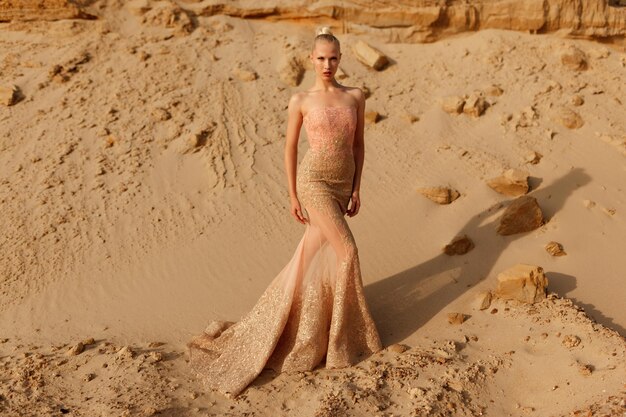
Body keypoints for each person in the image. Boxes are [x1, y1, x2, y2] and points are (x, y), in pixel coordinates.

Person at [188, 26, 383, 398]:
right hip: (314, 183)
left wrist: (357, 187)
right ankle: (343, 340)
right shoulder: (300, 100)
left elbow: (358, 145)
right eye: (321, 58)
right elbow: (291, 149)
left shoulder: (355, 96)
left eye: (334, 58)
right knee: (348, 251)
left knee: (307, 257)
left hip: (342, 185)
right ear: (311, 60)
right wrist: (294, 194)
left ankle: (273, 324)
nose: (327, 64)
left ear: (341, 60)